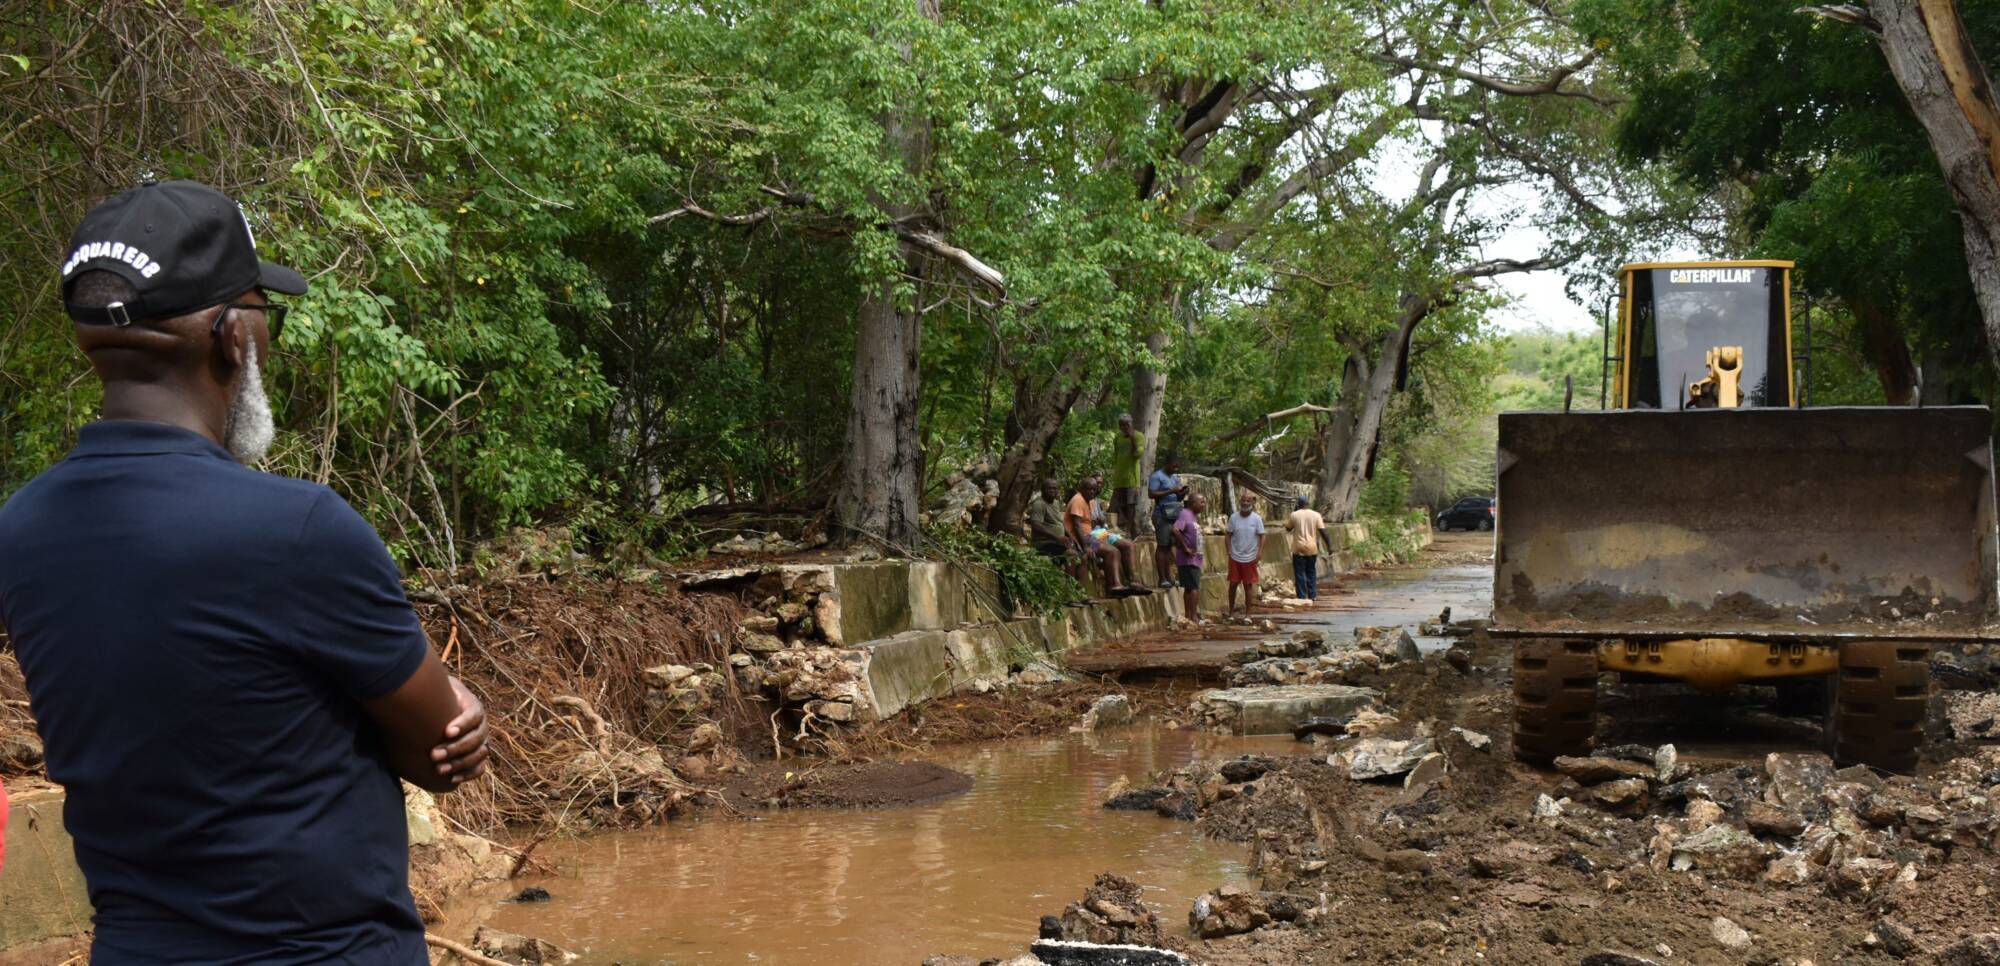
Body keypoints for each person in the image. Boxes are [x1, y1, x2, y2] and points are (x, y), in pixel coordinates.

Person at [0, 180, 488, 963]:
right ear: (234, 336)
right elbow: (438, 748)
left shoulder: (21, 530)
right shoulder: (298, 530)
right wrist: (458, 703)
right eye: (266, 310)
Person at [1068, 476, 1145, 598]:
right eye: (1089, 489)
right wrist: (1086, 546)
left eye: (1094, 489)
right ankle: (1114, 586)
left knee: (1120, 548)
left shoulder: (1090, 501)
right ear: (1081, 489)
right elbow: (1076, 526)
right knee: (1112, 552)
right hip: (1081, 539)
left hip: (1090, 536)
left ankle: (1127, 582)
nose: (1092, 492)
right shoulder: (1078, 500)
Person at [1149, 452, 1189, 588]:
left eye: (1178, 467)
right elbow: (1151, 494)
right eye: (1174, 467)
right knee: (1162, 546)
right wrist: (1171, 491)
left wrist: (1181, 494)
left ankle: (1169, 577)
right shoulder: (1157, 476)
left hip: (1173, 513)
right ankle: (1162, 579)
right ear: (1167, 464)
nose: (1176, 470)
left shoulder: (1175, 478)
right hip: (1161, 514)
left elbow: (1177, 497)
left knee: (1169, 546)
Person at [1226, 493, 1266, 616]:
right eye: (1243, 500)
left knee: (1248, 585)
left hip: (1250, 557)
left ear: (1252, 503)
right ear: (1240, 502)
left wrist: (1259, 552)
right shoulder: (1233, 517)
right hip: (1235, 556)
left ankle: (1248, 614)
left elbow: (1262, 535)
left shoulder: (1256, 518)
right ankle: (1231, 612)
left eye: (1248, 501)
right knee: (1233, 584)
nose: (1245, 503)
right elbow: (1228, 534)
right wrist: (1228, 550)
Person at [1027, 476, 1075, 577]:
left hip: (1057, 542)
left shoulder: (1056, 503)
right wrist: (1057, 537)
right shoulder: (1039, 504)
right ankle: (1071, 584)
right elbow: (1036, 525)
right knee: (1071, 555)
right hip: (1044, 543)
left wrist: (1069, 536)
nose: (1053, 491)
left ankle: (1079, 584)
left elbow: (1059, 523)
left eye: (1055, 488)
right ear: (1043, 490)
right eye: (1050, 488)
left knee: (1081, 554)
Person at [1173, 491, 1208, 621]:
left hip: (1194, 558)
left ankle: (1189, 615)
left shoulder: (1192, 516)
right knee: (1194, 587)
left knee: (1190, 587)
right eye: (1201, 502)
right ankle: (1192, 616)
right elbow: (1176, 530)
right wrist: (1185, 548)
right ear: (1193, 503)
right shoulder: (1185, 514)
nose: (1204, 505)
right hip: (1188, 559)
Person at [1109, 413, 1144, 532]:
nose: (1124, 427)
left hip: (1132, 478)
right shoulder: (1117, 437)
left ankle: (1129, 531)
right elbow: (1116, 455)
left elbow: (1137, 454)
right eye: (1121, 425)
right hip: (1119, 477)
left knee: (1131, 505)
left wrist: (1132, 437)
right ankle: (1131, 527)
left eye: (1126, 425)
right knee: (1118, 505)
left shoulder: (1139, 436)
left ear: (1131, 424)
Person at [1287, 495, 1325, 601]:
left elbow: (1288, 528)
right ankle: (1312, 595)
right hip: (1312, 548)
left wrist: (1295, 512)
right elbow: (1323, 531)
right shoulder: (1316, 515)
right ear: (1308, 504)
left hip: (1298, 548)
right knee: (1311, 571)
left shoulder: (1294, 514)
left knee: (1299, 573)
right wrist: (1330, 546)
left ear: (1298, 505)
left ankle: (1302, 596)